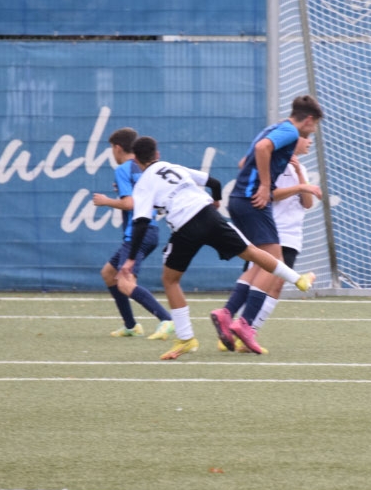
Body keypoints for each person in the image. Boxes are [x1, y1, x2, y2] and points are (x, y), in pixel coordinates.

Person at [118, 136, 315, 360]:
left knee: (170, 280)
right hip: (208, 215)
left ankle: (186, 339)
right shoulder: (173, 167)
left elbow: (141, 222)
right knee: (252, 252)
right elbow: (214, 182)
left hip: (185, 227)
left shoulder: (143, 185)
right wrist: (217, 201)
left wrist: (131, 259)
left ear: (136, 161)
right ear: (157, 154)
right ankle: (297, 279)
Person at [210, 94, 324, 355]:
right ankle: (245, 324)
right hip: (251, 201)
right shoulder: (289, 131)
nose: (312, 133)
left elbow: (244, 161)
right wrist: (263, 185)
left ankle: (227, 313)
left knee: (261, 262)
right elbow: (263, 149)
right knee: (275, 262)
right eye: (315, 126)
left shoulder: (273, 127)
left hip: (239, 199)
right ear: (308, 120)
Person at [91, 127, 174, 340]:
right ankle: (130, 325)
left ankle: (166, 319)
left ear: (118, 148)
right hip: (151, 230)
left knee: (125, 282)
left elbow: (130, 204)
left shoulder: (123, 169)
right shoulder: (145, 167)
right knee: (109, 274)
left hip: (137, 232)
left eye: (112, 148)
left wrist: (106, 201)